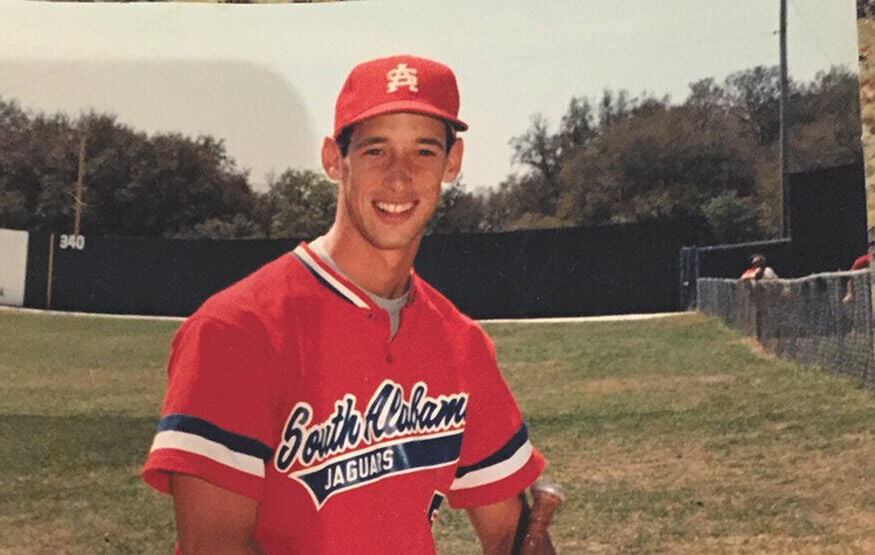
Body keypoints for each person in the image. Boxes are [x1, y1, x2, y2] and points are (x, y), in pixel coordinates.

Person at [142, 54, 550, 554]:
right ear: (335, 160)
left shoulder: (460, 343)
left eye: (423, 152)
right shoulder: (235, 329)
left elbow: (509, 529)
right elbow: (214, 546)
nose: (399, 179)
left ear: (453, 162)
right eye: (377, 151)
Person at [842, 238, 873, 304]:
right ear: (869, 250)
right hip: (868, 291)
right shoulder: (862, 261)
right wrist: (850, 293)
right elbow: (851, 277)